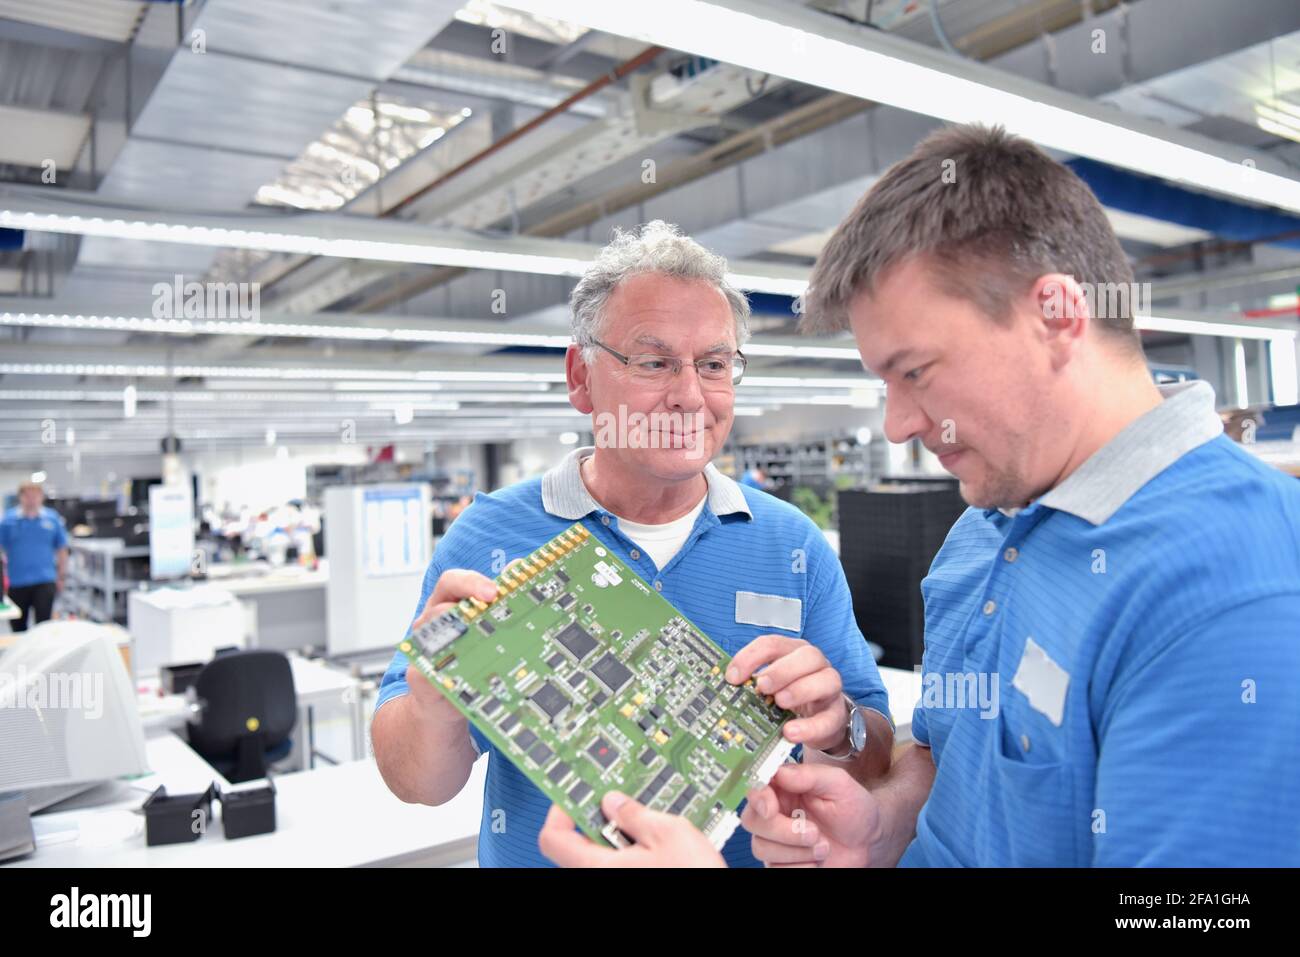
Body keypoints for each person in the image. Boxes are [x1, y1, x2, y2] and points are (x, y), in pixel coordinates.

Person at [539, 124, 1300, 868]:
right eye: (883, 381)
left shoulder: (1236, 586)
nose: (899, 421)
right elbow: (947, 758)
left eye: (917, 372)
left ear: (1058, 317)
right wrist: (884, 824)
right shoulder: (983, 527)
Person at [371, 221, 894, 867]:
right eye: (654, 362)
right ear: (581, 377)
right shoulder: (489, 537)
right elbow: (416, 783)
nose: (689, 395)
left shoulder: (793, 543)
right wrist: (433, 703)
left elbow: (873, 756)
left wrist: (838, 724)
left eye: (714, 364)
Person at [0, 481, 69, 632]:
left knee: (43, 629)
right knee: (18, 629)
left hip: (44, 581)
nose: (31, 499)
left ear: (41, 497)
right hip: (17, 583)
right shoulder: (8, 521)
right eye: (27, 495)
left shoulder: (52, 519)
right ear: (20, 497)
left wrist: (61, 577)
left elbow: (62, 549)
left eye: (35, 495)